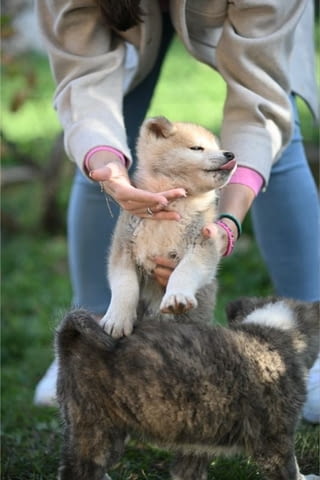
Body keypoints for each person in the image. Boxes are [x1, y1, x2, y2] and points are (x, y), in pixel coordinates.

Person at [33, 0, 319, 423]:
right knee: (105, 148)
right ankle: (94, 330)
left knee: (280, 141)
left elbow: (259, 102)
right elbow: (85, 82)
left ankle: (311, 338)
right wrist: (107, 169)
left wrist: (228, 222)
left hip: (248, 20)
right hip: (121, 16)